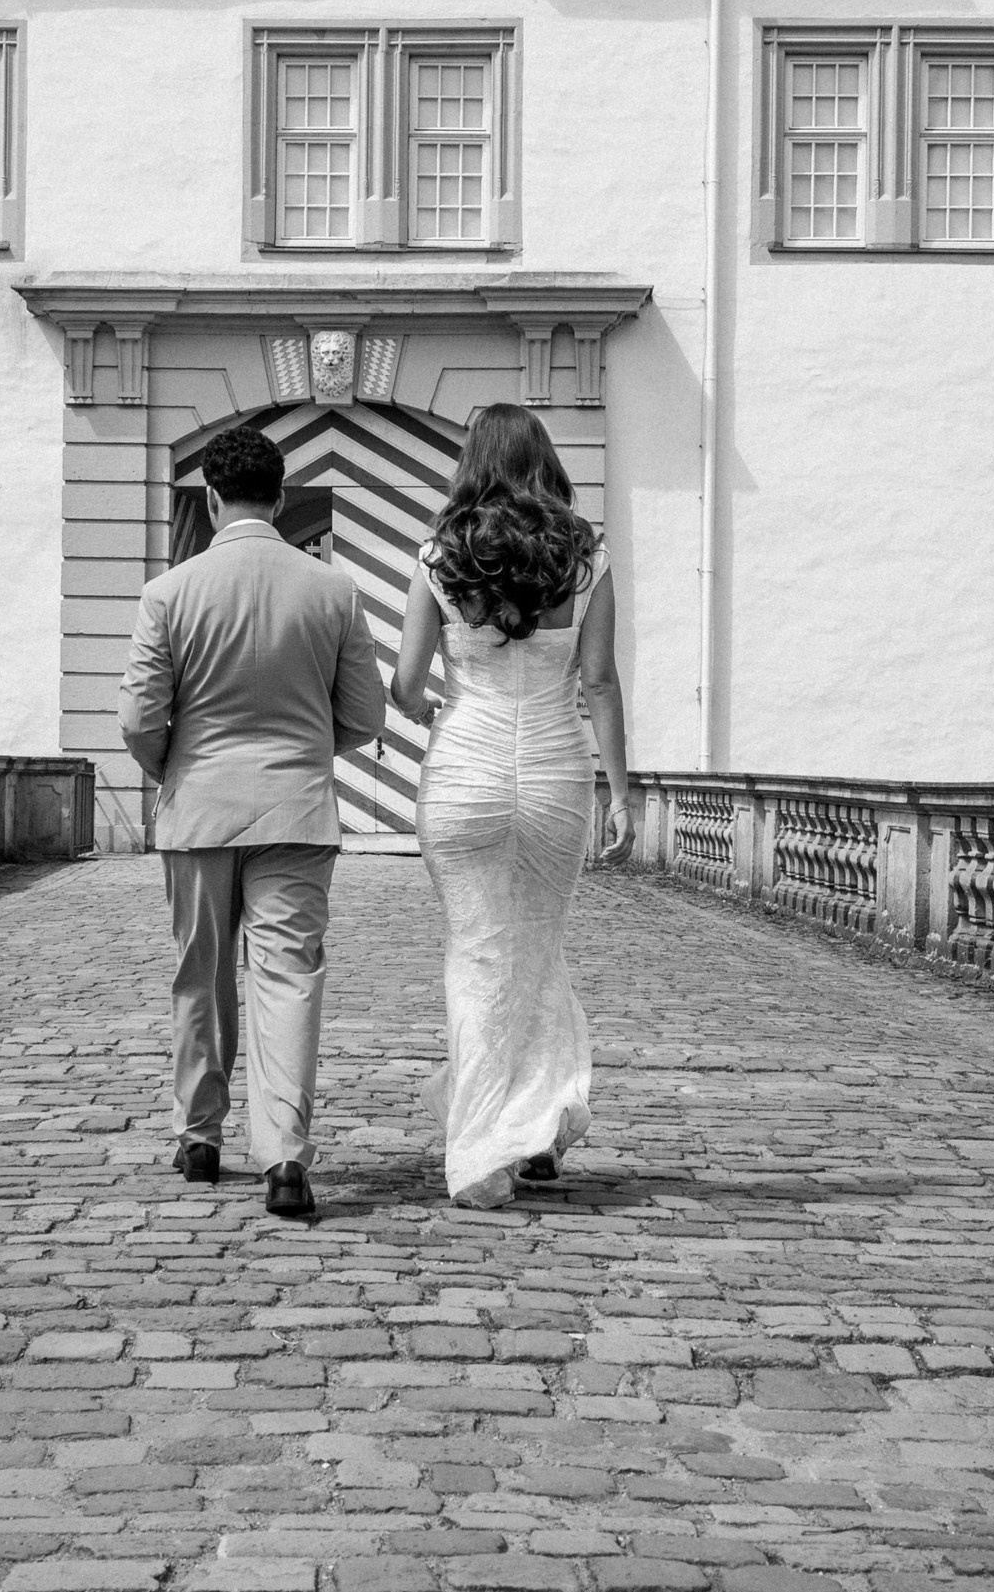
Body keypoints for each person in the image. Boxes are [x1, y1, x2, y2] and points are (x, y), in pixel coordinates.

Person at [118, 419, 386, 1223]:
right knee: (288, 981)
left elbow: (138, 718)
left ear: (209, 495)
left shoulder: (168, 593)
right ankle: (284, 1155)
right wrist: (307, 751)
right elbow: (366, 717)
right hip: (298, 814)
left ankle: (199, 1136)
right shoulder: (332, 589)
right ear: (281, 496)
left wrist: (177, 770)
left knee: (199, 975)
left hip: (198, 812)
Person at [389, 403, 632, 1209]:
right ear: (544, 460)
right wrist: (620, 791)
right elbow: (596, 681)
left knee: (477, 955)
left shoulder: (438, 557)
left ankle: (487, 1146)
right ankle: (534, 1122)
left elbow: (405, 683)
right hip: (556, 777)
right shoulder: (587, 559)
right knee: (538, 952)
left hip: (465, 773)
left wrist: (431, 710)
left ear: (473, 463)